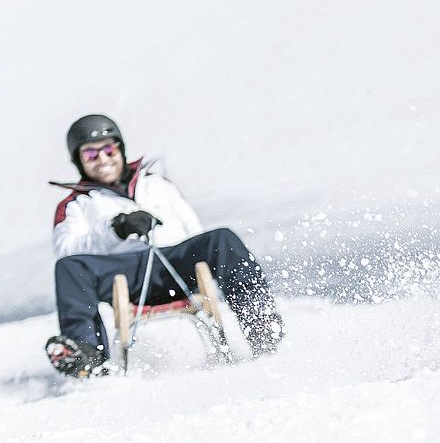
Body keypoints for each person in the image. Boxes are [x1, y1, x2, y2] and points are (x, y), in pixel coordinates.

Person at [42, 114, 284, 377]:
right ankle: (86, 355)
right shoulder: (76, 205)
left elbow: (194, 231)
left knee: (221, 239)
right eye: (90, 154)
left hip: (174, 264)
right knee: (69, 268)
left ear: (120, 149)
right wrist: (115, 230)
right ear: (79, 161)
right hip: (124, 275)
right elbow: (65, 249)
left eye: (109, 149)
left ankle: (261, 323)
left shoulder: (156, 184)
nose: (103, 160)